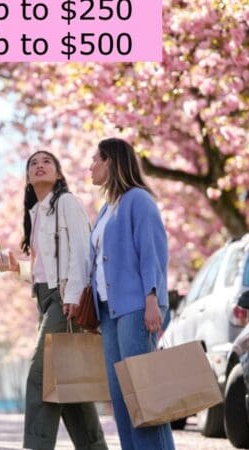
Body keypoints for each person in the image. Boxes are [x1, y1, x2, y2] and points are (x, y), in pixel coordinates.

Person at [0, 150, 107, 450]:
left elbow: (83, 254)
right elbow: (45, 272)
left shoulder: (66, 203)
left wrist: (72, 296)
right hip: (46, 299)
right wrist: (17, 269)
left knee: (40, 377)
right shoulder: (36, 213)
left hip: (64, 300)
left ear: (58, 174)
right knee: (66, 384)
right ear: (28, 178)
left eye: (46, 162)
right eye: (33, 163)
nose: (39, 166)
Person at [88, 137, 175, 449]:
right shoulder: (105, 209)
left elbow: (152, 251)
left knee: (144, 395)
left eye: (95, 160)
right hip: (110, 312)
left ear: (111, 161)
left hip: (138, 306)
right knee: (122, 397)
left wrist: (152, 298)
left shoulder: (138, 200)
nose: (90, 167)